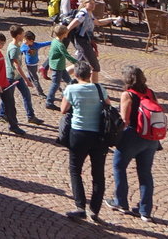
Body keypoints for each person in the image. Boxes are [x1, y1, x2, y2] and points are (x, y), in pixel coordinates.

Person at [108, 64, 160, 223]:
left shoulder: (128, 94)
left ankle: (121, 202)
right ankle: (145, 211)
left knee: (119, 166)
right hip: (151, 138)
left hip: (133, 136)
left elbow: (125, 120)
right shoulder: (150, 92)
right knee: (145, 174)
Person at [61, 60, 109, 223]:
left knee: (75, 169)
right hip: (98, 136)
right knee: (98, 174)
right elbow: (108, 106)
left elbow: (63, 109)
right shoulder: (99, 88)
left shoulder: (71, 89)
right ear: (90, 75)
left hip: (79, 134)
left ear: (75, 74)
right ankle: (95, 210)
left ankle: (80, 206)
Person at [0, 25, 41, 125]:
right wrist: (27, 80)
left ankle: (31, 116)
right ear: (18, 35)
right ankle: (2, 114)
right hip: (12, 77)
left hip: (17, 76)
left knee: (26, 95)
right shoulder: (14, 48)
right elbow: (17, 66)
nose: (24, 35)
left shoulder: (17, 45)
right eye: (23, 34)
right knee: (8, 97)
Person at [66, 0, 101, 82]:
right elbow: (72, 25)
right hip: (82, 42)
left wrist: (112, 19)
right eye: (91, 3)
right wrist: (65, 33)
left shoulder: (89, 13)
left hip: (85, 41)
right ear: (85, 3)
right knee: (95, 66)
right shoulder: (83, 14)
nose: (93, 5)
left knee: (79, 64)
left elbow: (98, 22)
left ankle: (61, 76)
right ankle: (95, 87)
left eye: (94, 3)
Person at [45, 24, 75, 109]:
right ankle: (49, 102)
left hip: (60, 67)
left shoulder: (55, 41)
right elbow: (67, 55)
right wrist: (77, 63)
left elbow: (51, 54)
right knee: (55, 84)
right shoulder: (60, 44)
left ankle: (65, 95)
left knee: (70, 82)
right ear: (64, 34)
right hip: (58, 67)